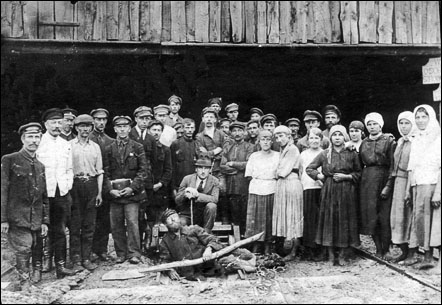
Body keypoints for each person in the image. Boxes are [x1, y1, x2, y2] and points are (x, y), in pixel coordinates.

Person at [1, 123, 49, 285]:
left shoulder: (41, 166)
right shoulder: (10, 160)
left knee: (35, 246)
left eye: (37, 137)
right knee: (23, 248)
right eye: (30, 137)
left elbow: (44, 196)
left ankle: (32, 278)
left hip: (35, 218)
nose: (33, 141)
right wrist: (3, 219)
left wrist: (45, 221)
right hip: (17, 216)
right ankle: (24, 282)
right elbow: (2, 191)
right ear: (22, 139)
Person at [306, 125, 361, 266]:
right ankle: (330, 255)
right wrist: (321, 177)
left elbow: (359, 173)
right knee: (329, 220)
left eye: (340, 135)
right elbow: (309, 168)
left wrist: (347, 177)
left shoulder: (351, 153)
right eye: (334, 135)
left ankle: (342, 254)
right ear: (330, 137)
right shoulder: (325, 154)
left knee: (344, 220)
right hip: (329, 190)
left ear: (345, 137)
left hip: (346, 191)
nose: (337, 137)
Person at [36, 108, 76, 278]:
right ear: (46, 124)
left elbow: (69, 168)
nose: (57, 126)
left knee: (59, 230)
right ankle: (43, 262)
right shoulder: (38, 142)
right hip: (43, 194)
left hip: (61, 193)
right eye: (53, 122)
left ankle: (60, 265)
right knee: (41, 230)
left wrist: (67, 185)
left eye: (59, 122)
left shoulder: (66, 144)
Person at [103, 116, 148, 264]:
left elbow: (143, 171)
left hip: (131, 194)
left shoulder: (137, 147)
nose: (122, 129)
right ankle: (121, 253)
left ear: (129, 128)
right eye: (119, 127)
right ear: (115, 129)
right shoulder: (109, 149)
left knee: (132, 223)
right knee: (116, 225)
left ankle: (134, 253)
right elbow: (105, 172)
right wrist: (110, 190)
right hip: (115, 195)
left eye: (125, 126)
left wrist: (132, 188)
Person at [404, 104, 441, 269]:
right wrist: (408, 190)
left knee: (429, 222)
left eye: (423, 117)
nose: (420, 120)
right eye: (417, 117)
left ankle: (429, 256)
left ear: (430, 118)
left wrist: (438, 193)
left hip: (431, 185)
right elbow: (412, 167)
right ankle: (415, 254)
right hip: (417, 185)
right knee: (417, 219)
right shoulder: (416, 139)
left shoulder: (438, 139)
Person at [359, 112, 396, 259]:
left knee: (384, 216)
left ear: (380, 124)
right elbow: (360, 162)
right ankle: (378, 249)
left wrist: (388, 185)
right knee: (371, 215)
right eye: (369, 124)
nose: (372, 127)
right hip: (367, 181)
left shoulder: (389, 141)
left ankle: (386, 249)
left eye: (375, 123)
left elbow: (393, 165)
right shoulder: (364, 142)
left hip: (383, 177)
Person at [69, 114, 103, 271]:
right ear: (76, 128)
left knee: (89, 225)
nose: (85, 129)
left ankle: (86, 258)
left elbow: (99, 171)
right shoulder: (69, 146)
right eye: (81, 126)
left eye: (88, 126)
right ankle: (76, 260)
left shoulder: (95, 147)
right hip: (74, 186)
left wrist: (99, 193)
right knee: (75, 225)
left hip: (91, 185)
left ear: (91, 128)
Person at [159, 209, 225, 281]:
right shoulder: (165, 241)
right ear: (165, 224)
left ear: (179, 218)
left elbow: (213, 239)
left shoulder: (194, 229)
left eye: (174, 217)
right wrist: (170, 270)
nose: (173, 220)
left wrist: (209, 249)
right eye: (169, 219)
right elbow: (165, 260)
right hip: (188, 275)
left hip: (208, 269)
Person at [384, 112, 416, 263]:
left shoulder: (416, 142)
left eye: (407, 123)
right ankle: (403, 251)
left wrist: (409, 187)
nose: (404, 126)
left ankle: (412, 252)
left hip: (409, 181)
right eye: (401, 123)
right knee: (398, 217)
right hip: (398, 182)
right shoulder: (400, 142)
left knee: (409, 215)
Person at [244, 130, 279, 254]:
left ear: (272, 141)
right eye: (263, 139)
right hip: (256, 188)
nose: (265, 142)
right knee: (256, 218)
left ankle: (268, 246)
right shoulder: (254, 156)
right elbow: (248, 174)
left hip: (271, 188)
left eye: (268, 139)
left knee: (268, 218)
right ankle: (256, 245)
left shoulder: (277, 155)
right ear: (259, 141)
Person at [272, 125, 304, 262]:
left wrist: (277, 171)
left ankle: (294, 250)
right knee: (285, 215)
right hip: (283, 185)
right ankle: (288, 249)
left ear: (289, 136)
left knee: (293, 216)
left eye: (281, 136)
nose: (279, 139)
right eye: (277, 137)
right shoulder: (283, 150)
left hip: (290, 183)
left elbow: (282, 171)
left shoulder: (292, 149)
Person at [220, 122, 254, 236]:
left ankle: (245, 239)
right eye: (234, 131)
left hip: (244, 185)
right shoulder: (228, 147)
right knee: (234, 214)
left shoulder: (250, 147)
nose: (237, 133)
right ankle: (236, 238)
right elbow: (222, 166)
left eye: (240, 131)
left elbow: (249, 164)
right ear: (231, 133)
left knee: (244, 213)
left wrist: (233, 163)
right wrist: (237, 170)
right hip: (231, 185)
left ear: (244, 132)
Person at [89, 108, 114, 262]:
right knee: (91, 219)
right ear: (93, 121)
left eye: (104, 119)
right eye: (98, 119)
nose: (101, 122)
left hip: (105, 185)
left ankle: (102, 249)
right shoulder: (87, 138)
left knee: (104, 219)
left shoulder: (110, 140)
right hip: (91, 185)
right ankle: (90, 250)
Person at [175, 158, 219, 233]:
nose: (203, 171)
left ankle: (206, 235)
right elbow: (177, 200)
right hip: (187, 215)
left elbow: (215, 199)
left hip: (204, 217)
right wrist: (185, 193)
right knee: (180, 225)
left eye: (206, 168)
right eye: (200, 168)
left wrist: (197, 195)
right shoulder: (187, 179)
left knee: (212, 206)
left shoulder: (215, 181)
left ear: (210, 170)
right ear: (196, 169)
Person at [299, 127, 323, 261]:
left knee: (320, 218)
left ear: (321, 140)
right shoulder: (303, 154)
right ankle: (309, 249)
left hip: (321, 188)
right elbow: (301, 171)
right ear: (307, 140)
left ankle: (320, 248)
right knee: (309, 218)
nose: (314, 141)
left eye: (317, 138)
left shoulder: (325, 153)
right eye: (311, 138)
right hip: (307, 187)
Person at [147, 120, 172, 226]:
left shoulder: (165, 150)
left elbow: (168, 170)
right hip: (145, 189)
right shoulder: (141, 148)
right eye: (154, 130)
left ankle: (156, 241)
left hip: (159, 190)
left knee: (158, 220)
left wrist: (160, 184)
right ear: (148, 131)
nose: (156, 132)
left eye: (159, 130)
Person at [170, 118, 198, 195]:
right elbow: (171, 166)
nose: (190, 130)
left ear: (194, 129)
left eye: (192, 128)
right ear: (183, 128)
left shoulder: (196, 144)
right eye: (187, 127)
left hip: (192, 183)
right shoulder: (175, 144)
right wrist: (173, 187)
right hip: (179, 183)